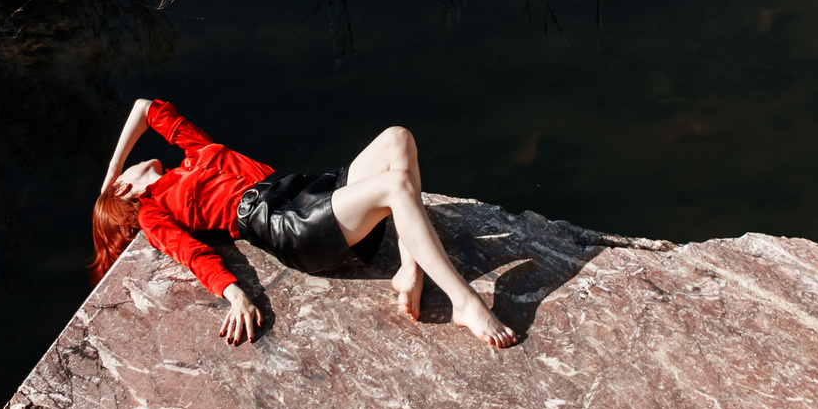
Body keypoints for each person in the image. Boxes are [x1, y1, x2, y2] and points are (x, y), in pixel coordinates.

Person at [91, 97, 516, 349]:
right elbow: (191, 254)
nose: (129, 165)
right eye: (124, 174)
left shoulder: (194, 153)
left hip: (309, 191)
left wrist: (111, 171)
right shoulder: (152, 210)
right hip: (288, 225)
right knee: (396, 186)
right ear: (125, 192)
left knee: (398, 138)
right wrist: (235, 295)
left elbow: (145, 108)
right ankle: (464, 303)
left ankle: (410, 269)